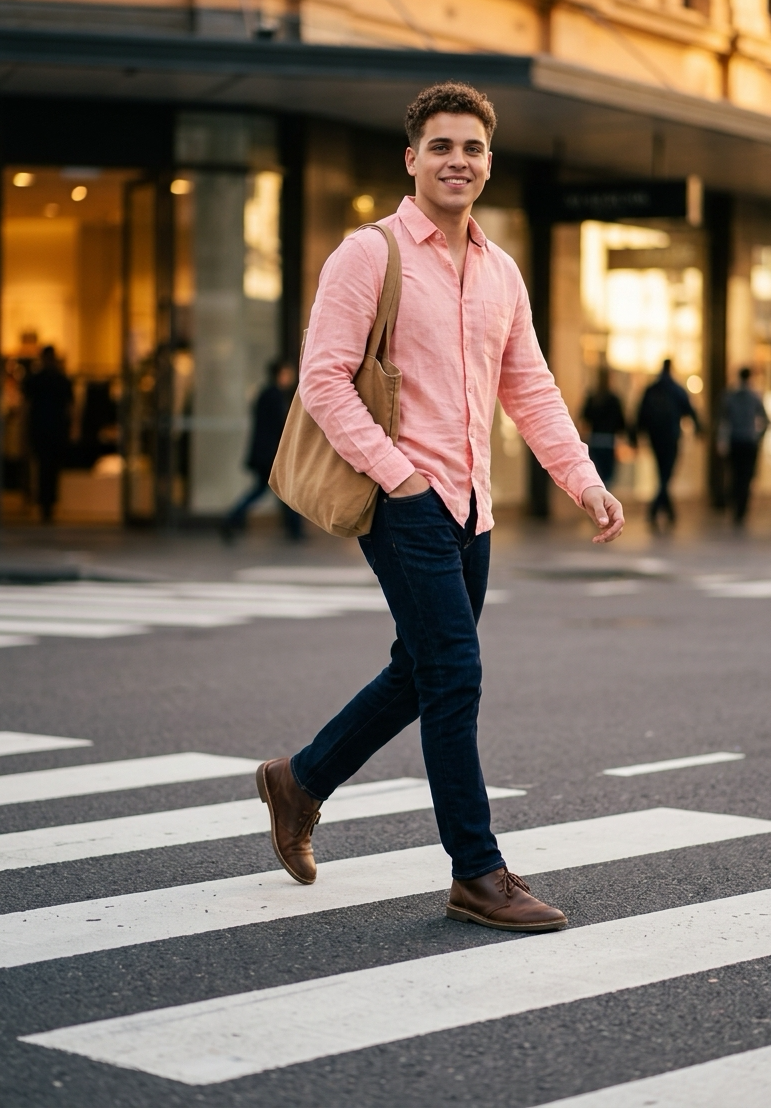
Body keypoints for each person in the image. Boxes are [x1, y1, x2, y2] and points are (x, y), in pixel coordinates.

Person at [255, 82, 624, 934]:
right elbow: (322, 379)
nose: (458, 161)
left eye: (473, 149)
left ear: (489, 164)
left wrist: (583, 479)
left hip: (471, 509)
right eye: (442, 147)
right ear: (412, 158)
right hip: (403, 501)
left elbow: (528, 390)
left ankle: (300, 779)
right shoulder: (369, 254)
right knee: (455, 675)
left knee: (420, 671)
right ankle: (477, 871)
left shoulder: (500, 272)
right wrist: (399, 478)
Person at [221, 360, 302, 541]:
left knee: (267, 490)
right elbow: (278, 427)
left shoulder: (266, 394)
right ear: (280, 374)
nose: (289, 377)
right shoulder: (273, 396)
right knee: (284, 489)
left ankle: (232, 518)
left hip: (266, 453)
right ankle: (294, 529)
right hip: (270, 454)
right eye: (286, 373)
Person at [634, 359, 700, 527]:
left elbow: (640, 413)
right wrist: (699, 428)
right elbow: (689, 410)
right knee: (666, 473)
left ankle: (664, 509)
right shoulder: (676, 389)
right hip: (671, 436)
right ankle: (657, 509)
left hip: (655, 437)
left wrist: (635, 435)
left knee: (662, 472)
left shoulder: (652, 389)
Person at [23, 346, 73, 523]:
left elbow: (27, 403)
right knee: (50, 470)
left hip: (42, 430)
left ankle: (45, 505)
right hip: (54, 430)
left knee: (44, 469)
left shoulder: (36, 379)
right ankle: (48, 504)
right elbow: (69, 407)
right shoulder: (61, 379)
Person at [719, 367, 768, 525]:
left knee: (735, 474)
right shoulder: (754, 396)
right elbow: (765, 419)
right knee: (745, 476)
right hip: (748, 440)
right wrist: (758, 435)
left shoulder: (730, 396)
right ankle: (741, 507)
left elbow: (723, 420)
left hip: (736, 440)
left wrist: (722, 440)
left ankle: (736, 506)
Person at [579, 367, 627, 487]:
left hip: (594, 439)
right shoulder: (614, 399)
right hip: (609, 440)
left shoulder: (592, 398)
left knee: (596, 474)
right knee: (607, 476)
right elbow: (621, 423)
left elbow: (584, 418)